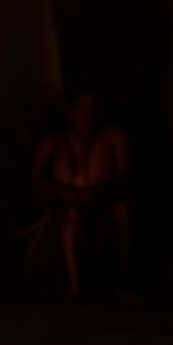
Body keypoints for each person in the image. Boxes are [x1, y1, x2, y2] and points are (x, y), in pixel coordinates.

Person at [26, 93, 131, 298]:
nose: (86, 115)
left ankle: (120, 282)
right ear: (70, 113)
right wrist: (64, 194)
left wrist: (98, 194)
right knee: (72, 218)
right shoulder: (55, 141)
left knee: (122, 214)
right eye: (80, 110)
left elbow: (123, 175)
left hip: (101, 199)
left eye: (90, 109)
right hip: (66, 205)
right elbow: (35, 178)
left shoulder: (112, 137)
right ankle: (74, 285)